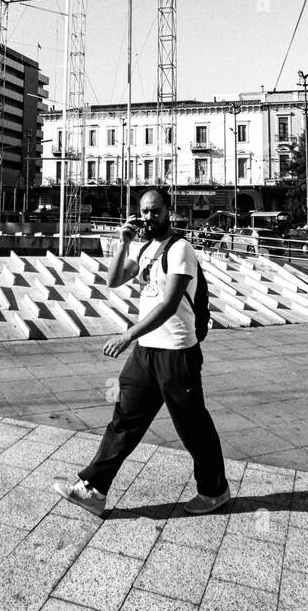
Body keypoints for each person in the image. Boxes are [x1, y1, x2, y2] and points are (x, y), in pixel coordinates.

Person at [54, 186, 230, 519]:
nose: (149, 217)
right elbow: (113, 280)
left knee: (193, 427)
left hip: (176, 352)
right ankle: (93, 489)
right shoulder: (147, 247)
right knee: (124, 421)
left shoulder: (181, 249)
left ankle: (214, 490)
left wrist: (127, 336)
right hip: (146, 353)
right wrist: (123, 242)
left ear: (168, 211)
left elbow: (169, 304)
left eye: (155, 211)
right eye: (144, 211)